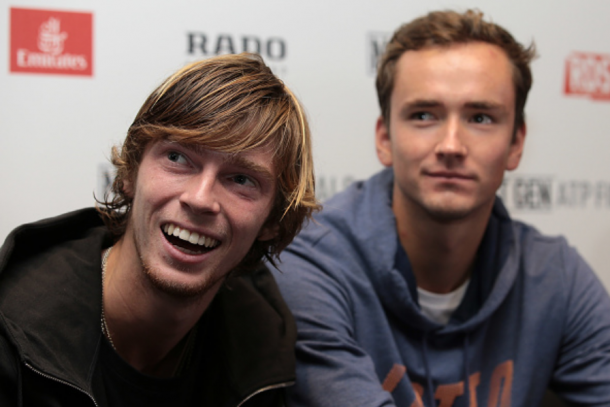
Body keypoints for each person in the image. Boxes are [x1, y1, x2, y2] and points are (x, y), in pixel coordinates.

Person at [271, 9, 610, 407]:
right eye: (424, 115)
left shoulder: (556, 276)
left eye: (480, 117)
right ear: (384, 139)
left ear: (516, 143)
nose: (451, 145)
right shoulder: (310, 262)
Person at [0, 53, 319, 406]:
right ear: (130, 174)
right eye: (178, 158)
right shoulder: (12, 334)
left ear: (272, 221)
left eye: (241, 179)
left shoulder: (262, 345)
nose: (200, 199)